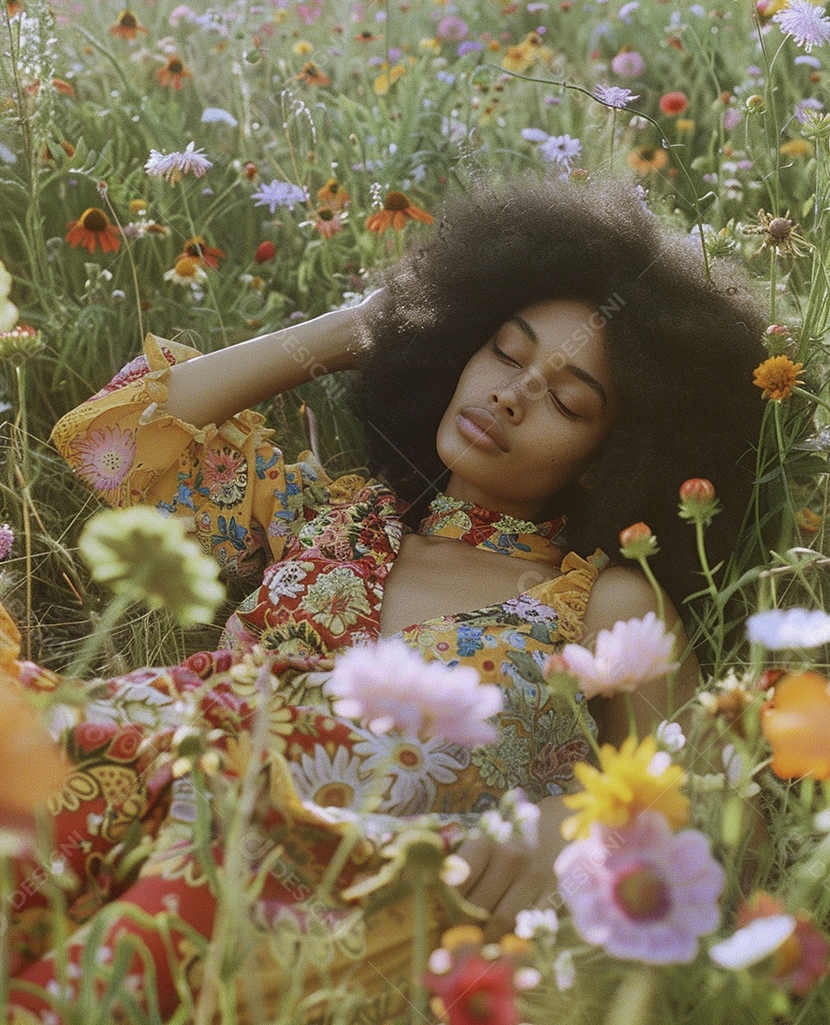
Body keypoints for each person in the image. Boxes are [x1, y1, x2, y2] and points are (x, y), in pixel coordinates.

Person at [5, 177, 766, 1023]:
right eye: (503, 352)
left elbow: (728, 813)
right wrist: (364, 324)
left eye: (566, 398)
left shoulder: (595, 603)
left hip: (336, 919)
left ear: (606, 456)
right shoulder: (325, 515)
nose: (513, 393)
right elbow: (108, 437)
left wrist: (583, 829)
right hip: (136, 795)